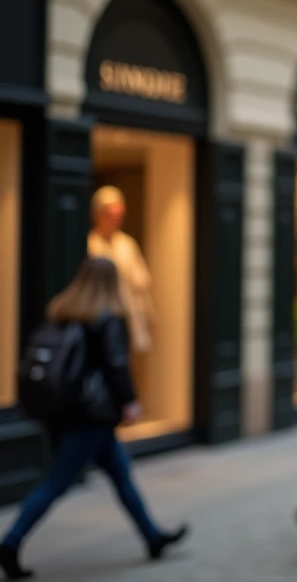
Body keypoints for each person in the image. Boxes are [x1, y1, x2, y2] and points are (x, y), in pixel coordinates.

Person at [0, 258, 187, 580]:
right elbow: (117, 365)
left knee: (120, 474)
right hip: (92, 415)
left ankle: (152, 537)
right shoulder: (107, 318)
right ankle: (10, 542)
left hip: (64, 411)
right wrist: (129, 401)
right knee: (56, 482)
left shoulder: (62, 312)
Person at [88, 186, 154, 355]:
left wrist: (148, 315)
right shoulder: (89, 243)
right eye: (110, 215)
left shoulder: (127, 245)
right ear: (97, 214)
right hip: (97, 317)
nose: (115, 220)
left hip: (126, 317)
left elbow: (140, 284)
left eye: (119, 215)